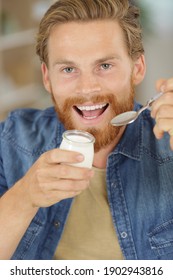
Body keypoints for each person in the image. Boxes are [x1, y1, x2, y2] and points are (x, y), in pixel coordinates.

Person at [0, 0, 173, 260]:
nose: (87, 89)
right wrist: (25, 196)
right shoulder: (11, 139)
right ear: (47, 77)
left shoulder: (167, 143)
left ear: (137, 68)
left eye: (104, 66)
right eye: (69, 69)